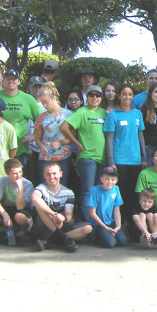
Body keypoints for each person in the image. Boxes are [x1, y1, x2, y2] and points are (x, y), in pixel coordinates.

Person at [60, 85, 108, 222]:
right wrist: (76, 143)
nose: (95, 97)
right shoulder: (81, 112)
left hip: (102, 158)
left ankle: (98, 220)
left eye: (98, 95)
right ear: (87, 97)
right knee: (87, 190)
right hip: (87, 157)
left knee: (98, 190)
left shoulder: (104, 113)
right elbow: (64, 127)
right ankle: (89, 222)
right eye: (91, 95)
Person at [30, 162, 92, 252]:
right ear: (44, 175)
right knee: (39, 207)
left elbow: (69, 216)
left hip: (61, 225)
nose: (51, 177)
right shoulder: (41, 188)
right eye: (48, 174)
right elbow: (35, 198)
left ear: (60, 174)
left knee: (88, 228)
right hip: (44, 226)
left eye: (54, 173)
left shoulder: (68, 192)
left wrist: (62, 218)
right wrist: (53, 214)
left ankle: (49, 243)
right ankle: (65, 240)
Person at [103, 84, 144, 215]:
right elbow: (109, 139)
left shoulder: (137, 113)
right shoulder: (112, 115)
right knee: (120, 192)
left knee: (133, 192)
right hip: (119, 160)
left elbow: (140, 136)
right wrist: (111, 161)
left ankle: (131, 220)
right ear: (119, 96)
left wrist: (144, 157)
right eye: (124, 94)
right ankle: (120, 220)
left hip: (135, 160)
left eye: (130, 94)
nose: (127, 97)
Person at [0, 69, 41, 172]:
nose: (11, 81)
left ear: (19, 81)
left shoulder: (28, 99)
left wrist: (34, 136)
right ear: (3, 81)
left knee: (17, 181)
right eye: (8, 79)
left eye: (14, 79)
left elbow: (41, 119)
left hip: (19, 150)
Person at [34, 82, 74, 180]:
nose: (44, 105)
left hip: (63, 157)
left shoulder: (69, 115)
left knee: (62, 186)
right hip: (45, 157)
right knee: (44, 186)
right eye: (42, 103)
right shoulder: (41, 117)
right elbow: (37, 139)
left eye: (46, 102)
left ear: (54, 98)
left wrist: (61, 142)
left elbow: (74, 137)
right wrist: (41, 146)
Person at [0, 158, 34, 245]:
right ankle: (10, 229)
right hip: (9, 208)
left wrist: (20, 187)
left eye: (20, 172)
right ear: (7, 174)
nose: (18, 176)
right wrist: (5, 215)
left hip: (22, 210)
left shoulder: (28, 184)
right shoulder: (3, 181)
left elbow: (20, 206)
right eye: (14, 174)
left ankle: (22, 231)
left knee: (19, 216)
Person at [87, 168, 127, 248]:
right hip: (99, 224)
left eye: (113, 179)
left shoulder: (116, 189)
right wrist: (105, 228)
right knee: (111, 243)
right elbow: (92, 213)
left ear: (116, 180)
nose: (110, 182)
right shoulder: (95, 190)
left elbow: (116, 209)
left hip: (110, 222)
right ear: (101, 179)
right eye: (107, 179)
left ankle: (108, 234)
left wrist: (118, 226)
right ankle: (94, 237)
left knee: (123, 241)